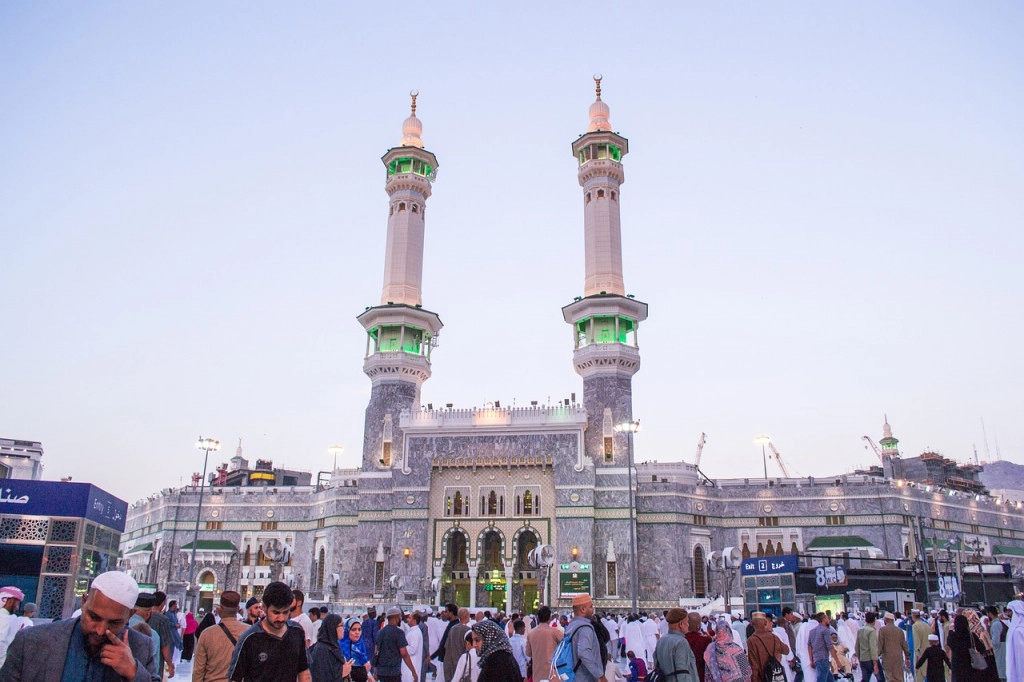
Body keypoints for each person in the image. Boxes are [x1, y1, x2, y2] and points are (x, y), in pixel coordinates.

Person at [0, 571, 159, 682]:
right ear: (84, 602)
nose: (101, 630)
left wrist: (133, 672)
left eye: (114, 623)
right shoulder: (32, 641)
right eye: (94, 617)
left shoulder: (140, 647)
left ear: (130, 615)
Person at [228, 581, 310, 682]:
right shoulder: (249, 638)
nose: (281, 618)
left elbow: (304, 671)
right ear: (264, 607)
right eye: (276, 612)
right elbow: (235, 678)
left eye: (285, 612)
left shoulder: (297, 632)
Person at [193, 591, 248, 682]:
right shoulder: (250, 633)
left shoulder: (207, 634)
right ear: (238, 609)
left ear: (220, 609)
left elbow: (198, 671)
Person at [563, 595, 605, 682]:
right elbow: (583, 652)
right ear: (583, 609)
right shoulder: (585, 628)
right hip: (584, 678)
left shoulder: (571, 626)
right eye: (591, 606)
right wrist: (599, 675)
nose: (592, 609)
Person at [374, 607, 417, 682]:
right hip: (393, 673)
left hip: (381, 672)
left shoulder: (380, 632)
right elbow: (404, 654)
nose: (401, 618)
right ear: (396, 617)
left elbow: (376, 652)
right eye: (400, 616)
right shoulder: (399, 633)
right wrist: (413, 671)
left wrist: (375, 671)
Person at [652, 608, 696, 682]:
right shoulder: (681, 642)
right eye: (687, 622)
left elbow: (657, 665)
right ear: (681, 624)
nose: (688, 625)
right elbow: (682, 672)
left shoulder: (661, 640)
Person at [307, 614, 352, 682]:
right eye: (341, 625)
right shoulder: (322, 650)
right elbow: (320, 677)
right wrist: (341, 674)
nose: (343, 629)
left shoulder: (333, 646)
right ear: (332, 628)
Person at [747, 613, 789, 682]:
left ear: (751, 623)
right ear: (765, 623)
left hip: (762, 678)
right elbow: (786, 650)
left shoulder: (751, 640)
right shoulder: (774, 637)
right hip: (776, 677)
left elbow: (754, 666)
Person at [525, 606, 562, 682]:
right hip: (553, 673)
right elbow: (564, 647)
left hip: (538, 673)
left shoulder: (531, 634)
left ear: (538, 618)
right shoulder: (555, 632)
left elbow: (528, 653)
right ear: (550, 618)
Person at [807, 614, 838, 682]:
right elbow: (830, 646)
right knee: (822, 679)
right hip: (823, 659)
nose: (828, 619)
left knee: (830, 679)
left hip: (816, 659)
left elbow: (809, 646)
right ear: (823, 619)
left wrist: (811, 660)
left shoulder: (812, 631)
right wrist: (838, 662)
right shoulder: (825, 630)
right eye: (827, 618)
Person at [877, 613, 908, 682]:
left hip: (887, 658)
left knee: (890, 677)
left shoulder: (882, 630)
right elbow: (904, 645)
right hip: (898, 658)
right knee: (899, 677)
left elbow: (880, 645)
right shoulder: (899, 631)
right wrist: (907, 657)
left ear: (886, 620)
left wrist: (876, 655)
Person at [0, 586, 26, 670]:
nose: (17, 607)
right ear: (9, 601)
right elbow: (1, 642)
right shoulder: (4, 617)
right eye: (17, 603)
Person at [444, 609, 472, 682]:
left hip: (450, 663)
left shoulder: (452, 629)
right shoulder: (468, 631)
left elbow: (446, 646)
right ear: (466, 616)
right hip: (461, 664)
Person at [341, 617, 372, 682]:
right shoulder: (341, 647)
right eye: (353, 629)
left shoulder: (361, 646)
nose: (357, 632)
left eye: (359, 629)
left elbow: (365, 667)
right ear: (347, 630)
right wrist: (363, 670)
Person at [683, 612, 711, 682]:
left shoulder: (681, 639)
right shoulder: (706, 640)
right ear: (698, 626)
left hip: (684, 674)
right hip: (700, 673)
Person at [854, 612, 880, 682]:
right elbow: (873, 647)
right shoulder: (872, 631)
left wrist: (859, 658)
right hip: (870, 659)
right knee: (880, 678)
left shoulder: (860, 630)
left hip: (863, 658)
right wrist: (875, 663)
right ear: (874, 621)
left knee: (865, 679)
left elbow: (857, 646)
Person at [402, 612, 424, 682]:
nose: (407, 619)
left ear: (414, 621)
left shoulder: (415, 633)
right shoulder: (412, 631)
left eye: (409, 618)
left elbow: (413, 650)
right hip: (408, 667)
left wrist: (402, 648)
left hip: (411, 666)